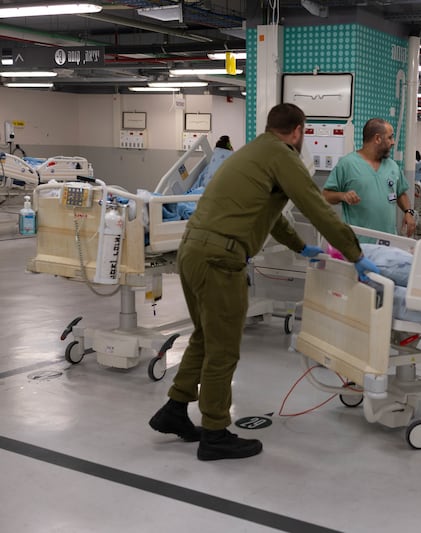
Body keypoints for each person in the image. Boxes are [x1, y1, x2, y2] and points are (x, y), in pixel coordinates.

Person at [148, 103, 380, 461]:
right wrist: (355, 254)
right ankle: (215, 433)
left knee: (206, 338)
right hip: (220, 260)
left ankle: (175, 410)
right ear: (299, 131)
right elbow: (316, 207)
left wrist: (302, 247)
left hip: (192, 251)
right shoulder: (283, 157)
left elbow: (268, 216)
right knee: (223, 349)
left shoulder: (253, 152)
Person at [323, 118, 416, 238]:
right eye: (390, 137)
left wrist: (408, 212)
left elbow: (401, 193)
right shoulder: (347, 164)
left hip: (387, 241)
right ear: (377, 139)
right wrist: (342, 196)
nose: (393, 142)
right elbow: (325, 195)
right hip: (357, 243)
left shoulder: (392, 166)